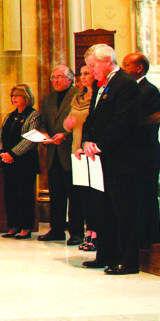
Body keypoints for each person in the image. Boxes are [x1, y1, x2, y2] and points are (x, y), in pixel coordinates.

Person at [81, 44, 144, 275]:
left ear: (107, 60)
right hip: (102, 158)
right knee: (103, 209)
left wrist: (99, 145)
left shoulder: (125, 84)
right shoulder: (102, 86)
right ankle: (106, 254)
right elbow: (91, 120)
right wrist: (86, 141)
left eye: (93, 66)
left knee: (123, 210)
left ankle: (127, 260)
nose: (91, 71)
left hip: (121, 160)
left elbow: (122, 122)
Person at [36, 65, 82, 243]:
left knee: (75, 195)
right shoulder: (48, 99)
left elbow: (81, 123)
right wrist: (45, 134)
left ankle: (77, 232)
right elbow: (43, 123)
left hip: (70, 151)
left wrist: (65, 135)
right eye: (53, 77)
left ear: (70, 79)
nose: (55, 80)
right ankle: (56, 229)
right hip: (53, 152)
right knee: (56, 194)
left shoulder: (78, 95)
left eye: (60, 77)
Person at [121, 53, 160, 248]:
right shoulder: (131, 89)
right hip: (132, 155)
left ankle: (151, 238)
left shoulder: (149, 90)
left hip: (145, 154)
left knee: (147, 195)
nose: (123, 68)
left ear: (139, 68)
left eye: (127, 65)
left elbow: (149, 119)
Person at [0, 84, 39, 239]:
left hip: (24, 162)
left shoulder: (33, 115)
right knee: (11, 194)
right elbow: (0, 135)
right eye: (12, 96)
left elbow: (30, 139)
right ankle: (13, 225)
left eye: (18, 95)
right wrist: (2, 153)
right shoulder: (10, 115)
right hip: (8, 162)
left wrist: (13, 154)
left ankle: (26, 227)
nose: (14, 99)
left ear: (26, 97)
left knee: (24, 194)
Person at [64, 65, 96, 251]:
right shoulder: (77, 98)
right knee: (81, 194)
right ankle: (86, 231)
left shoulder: (99, 96)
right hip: (76, 149)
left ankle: (95, 233)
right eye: (81, 74)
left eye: (87, 73)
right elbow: (69, 123)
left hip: (91, 150)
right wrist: (68, 124)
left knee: (94, 195)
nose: (83, 77)